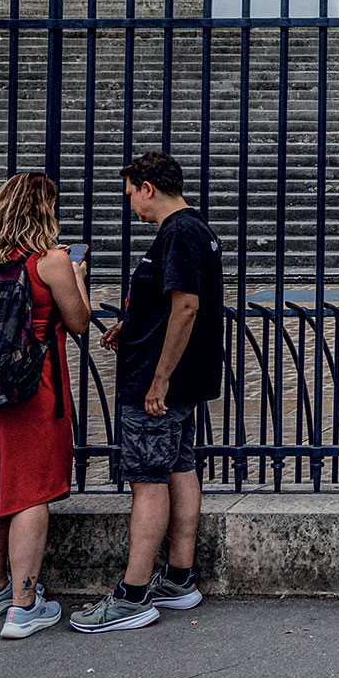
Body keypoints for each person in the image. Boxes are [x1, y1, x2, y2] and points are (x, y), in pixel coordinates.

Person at [70, 153, 224, 633]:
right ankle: (179, 578)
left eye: (132, 193)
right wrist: (132, 326)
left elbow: (185, 307)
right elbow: (167, 306)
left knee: (147, 480)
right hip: (177, 378)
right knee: (180, 467)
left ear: (149, 188)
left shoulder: (178, 233)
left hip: (157, 385)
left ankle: (132, 595)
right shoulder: (195, 230)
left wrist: (158, 380)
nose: (131, 204)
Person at [0, 174, 92, 639]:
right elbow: (79, 322)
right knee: (31, 491)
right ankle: (25, 606)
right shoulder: (52, 261)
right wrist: (79, 278)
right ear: (43, 212)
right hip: (33, 387)